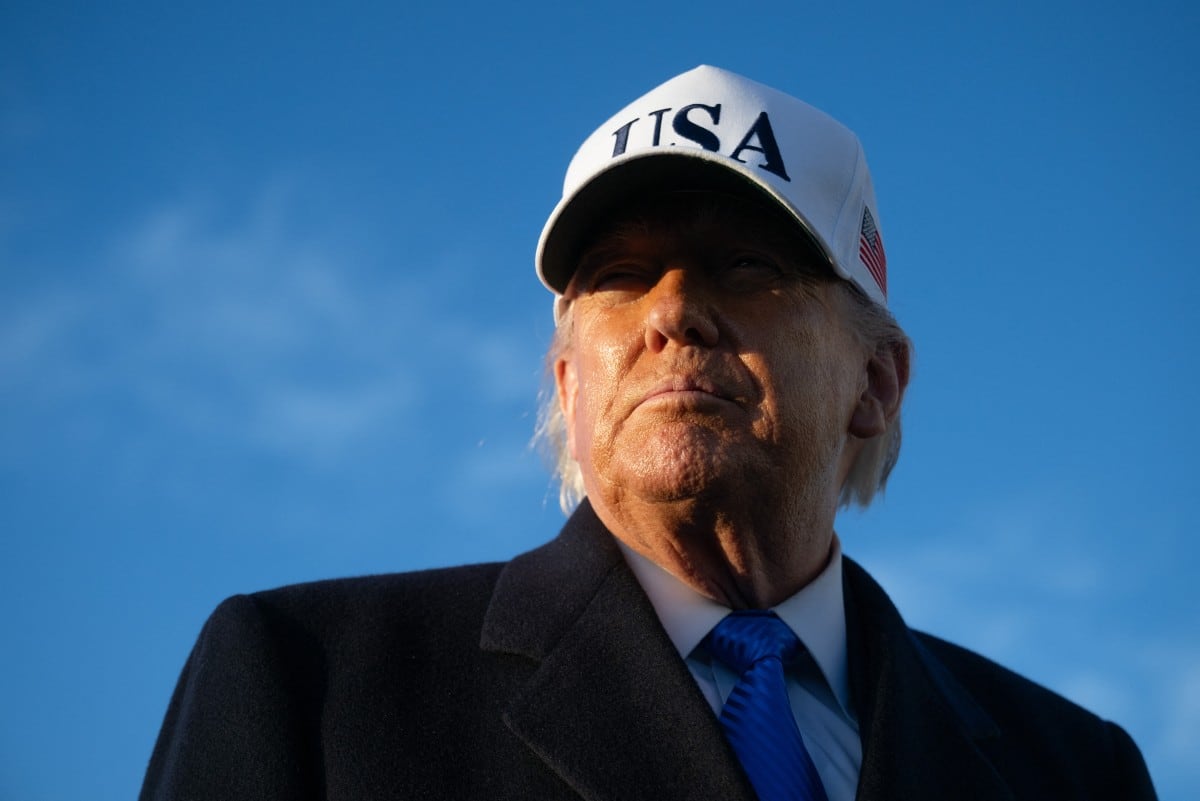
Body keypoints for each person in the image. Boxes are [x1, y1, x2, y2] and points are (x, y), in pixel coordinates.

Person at [140, 65, 1157, 801]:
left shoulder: (1071, 769)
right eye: (619, 278)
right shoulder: (310, 684)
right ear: (569, 384)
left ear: (876, 382)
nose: (672, 312)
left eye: (745, 268)